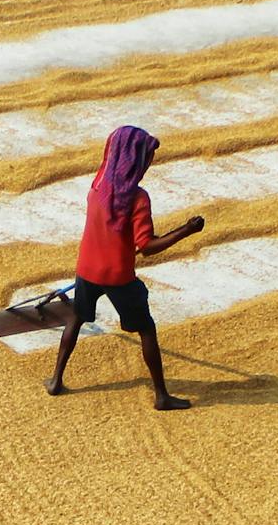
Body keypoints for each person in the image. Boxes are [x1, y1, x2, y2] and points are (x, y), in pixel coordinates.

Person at [47, 124, 205, 409]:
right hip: (118, 276)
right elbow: (147, 247)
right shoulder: (137, 198)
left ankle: (56, 380)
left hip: (87, 269)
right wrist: (186, 230)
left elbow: (114, 227)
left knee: (75, 318)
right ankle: (161, 395)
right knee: (146, 329)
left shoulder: (97, 186)